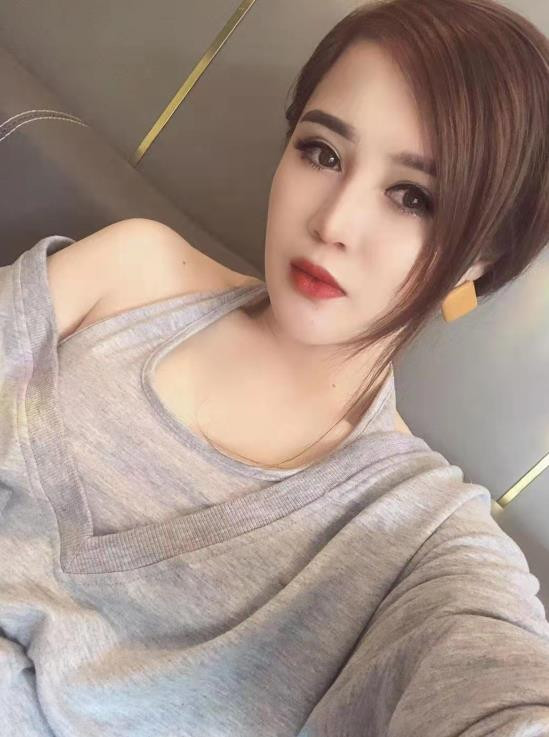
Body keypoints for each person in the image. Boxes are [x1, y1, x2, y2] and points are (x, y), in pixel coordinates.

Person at [0, 0, 548, 734]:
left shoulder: (421, 536)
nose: (333, 222)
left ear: (480, 259)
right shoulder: (132, 273)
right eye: (322, 152)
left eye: (413, 197)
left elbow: (498, 691)